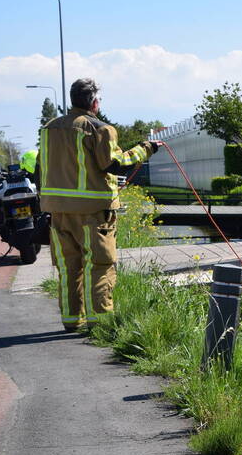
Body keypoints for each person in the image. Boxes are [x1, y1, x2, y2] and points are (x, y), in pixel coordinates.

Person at [38, 78, 159, 332]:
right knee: (99, 266)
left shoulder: (49, 129)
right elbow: (113, 164)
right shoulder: (100, 128)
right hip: (93, 213)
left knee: (68, 268)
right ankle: (101, 324)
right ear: (94, 102)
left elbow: (45, 169)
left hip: (58, 212)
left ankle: (72, 321)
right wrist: (145, 149)